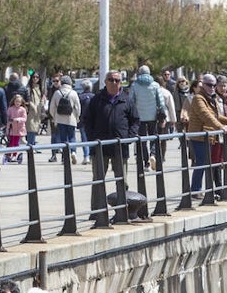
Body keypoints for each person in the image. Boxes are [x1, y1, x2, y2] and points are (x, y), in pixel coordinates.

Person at [82, 70, 136, 217]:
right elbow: (87, 120)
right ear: (105, 82)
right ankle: (97, 212)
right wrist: (92, 138)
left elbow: (135, 121)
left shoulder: (127, 99)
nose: (114, 83)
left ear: (121, 83)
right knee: (98, 180)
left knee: (122, 180)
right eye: (111, 80)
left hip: (120, 146)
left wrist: (129, 137)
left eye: (117, 80)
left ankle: (122, 210)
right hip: (100, 147)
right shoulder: (96, 99)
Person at [185, 74, 227, 198]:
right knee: (201, 163)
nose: (212, 87)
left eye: (214, 85)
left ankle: (201, 190)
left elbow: (214, 115)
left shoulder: (209, 98)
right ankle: (196, 190)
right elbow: (205, 115)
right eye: (209, 85)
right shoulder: (198, 98)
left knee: (206, 163)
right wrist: (221, 127)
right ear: (203, 85)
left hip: (208, 136)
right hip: (199, 136)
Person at [127, 66, 165, 169]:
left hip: (139, 117)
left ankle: (146, 161)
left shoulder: (135, 85)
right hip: (153, 116)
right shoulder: (155, 85)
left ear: (139, 73)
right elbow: (161, 102)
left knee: (142, 139)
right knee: (153, 137)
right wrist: (163, 113)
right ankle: (153, 155)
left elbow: (130, 101)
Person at [48, 76, 81, 165]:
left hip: (60, 119)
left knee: (63, 138)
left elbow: (52, 107)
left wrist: (54, 116)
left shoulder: (57, 93)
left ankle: (65, 157)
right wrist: (77, 117)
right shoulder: (73, 93)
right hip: (71, 118)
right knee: (72, 137)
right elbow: (78, 107)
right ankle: (73, 152)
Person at [6, 94, 28, 164]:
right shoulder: (10, 109)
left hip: (19, 129)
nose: (17, 103)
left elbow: (24, 119)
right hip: (12, 129)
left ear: (21, 102)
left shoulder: (23, 109)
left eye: (19, 102)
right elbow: (7, 117)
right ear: (14, 101)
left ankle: (15, 155)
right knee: (10, 142)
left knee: (16, 143)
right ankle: (9, 154)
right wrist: (8, 124)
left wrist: (18, 119)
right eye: (16, 101)